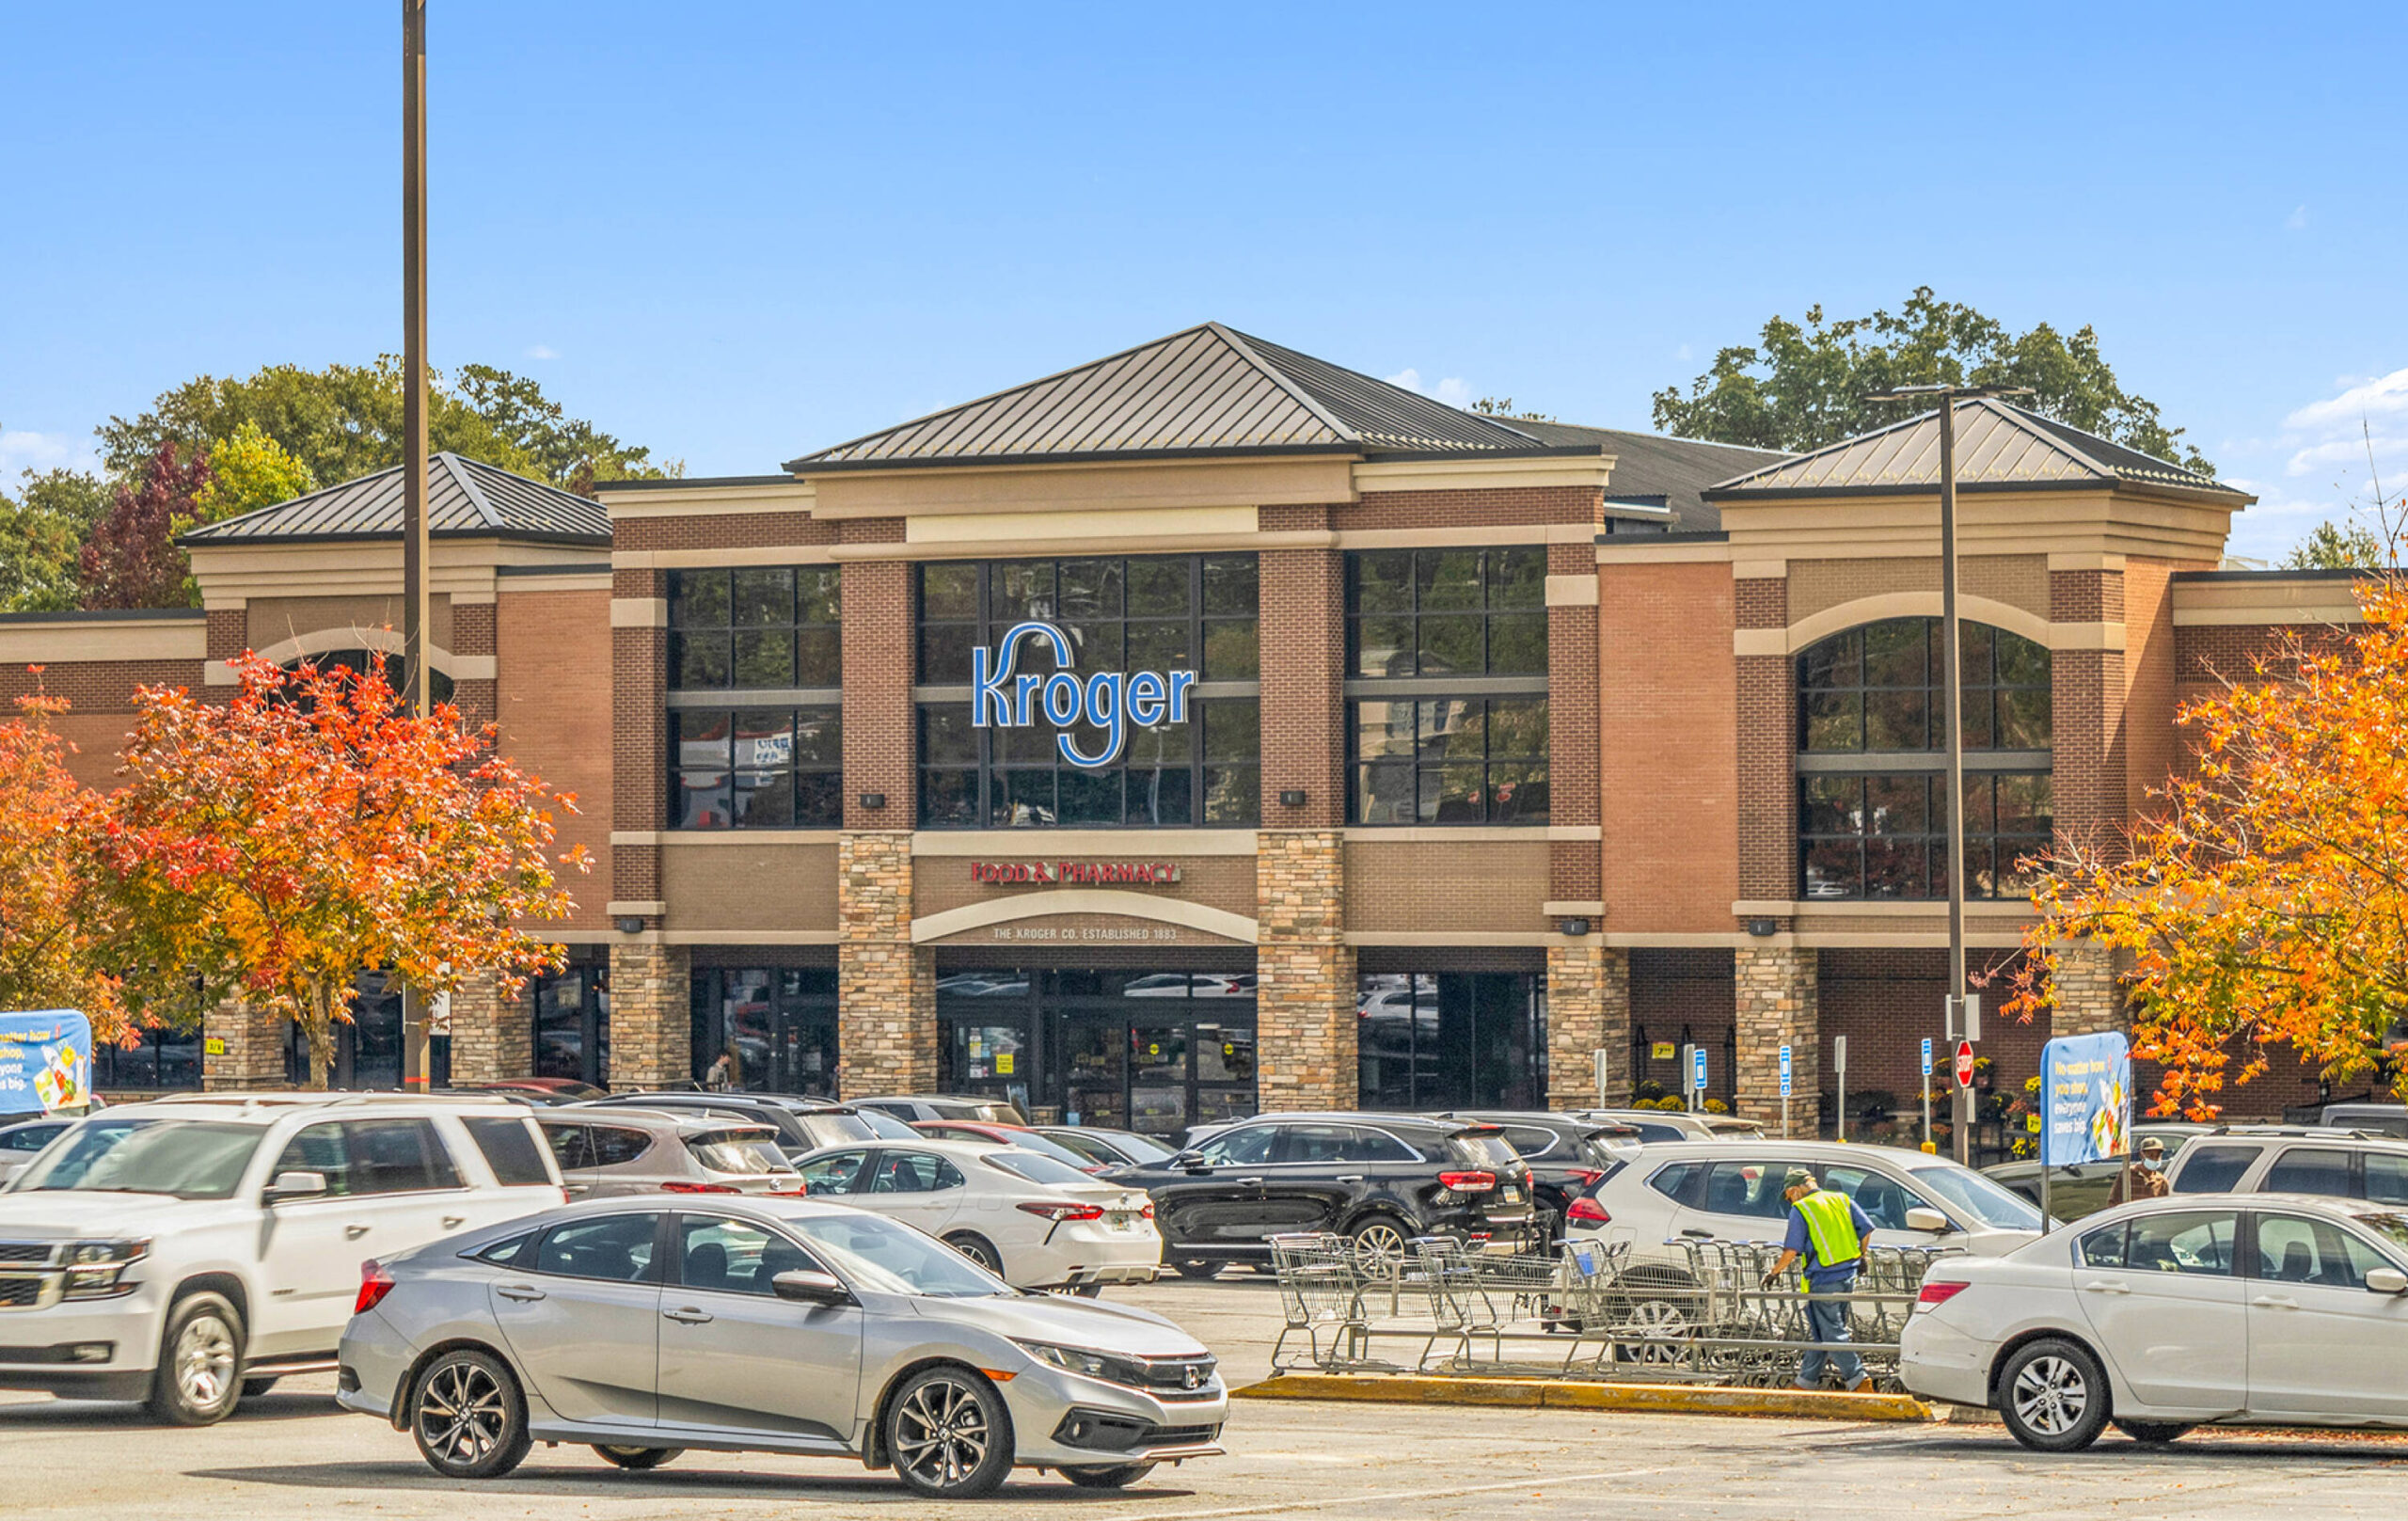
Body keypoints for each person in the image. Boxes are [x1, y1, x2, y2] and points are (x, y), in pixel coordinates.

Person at [1764, 1167, 1877, 1393]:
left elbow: (1792, 1250)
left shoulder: (1802, 1208)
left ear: (1794, 1190)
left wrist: (1774, 1272)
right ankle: (1805, 1382)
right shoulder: (1841, 1199)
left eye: (1788, 1196)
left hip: (1824, 1278)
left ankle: (1858, 1379)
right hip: (1848, 1274)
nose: (1789, 1200)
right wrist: (1862, 1256)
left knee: (1831, 1332)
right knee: (1822, 1330)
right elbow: (1866, 1230)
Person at [2106, 1135, 2171, 1204]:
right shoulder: (2127, 1175)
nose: (2154, 1159)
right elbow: (2113, 1201)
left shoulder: (2162, 1181)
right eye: (2151, 1155)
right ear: (2142, 1154)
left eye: (2157, 1156)